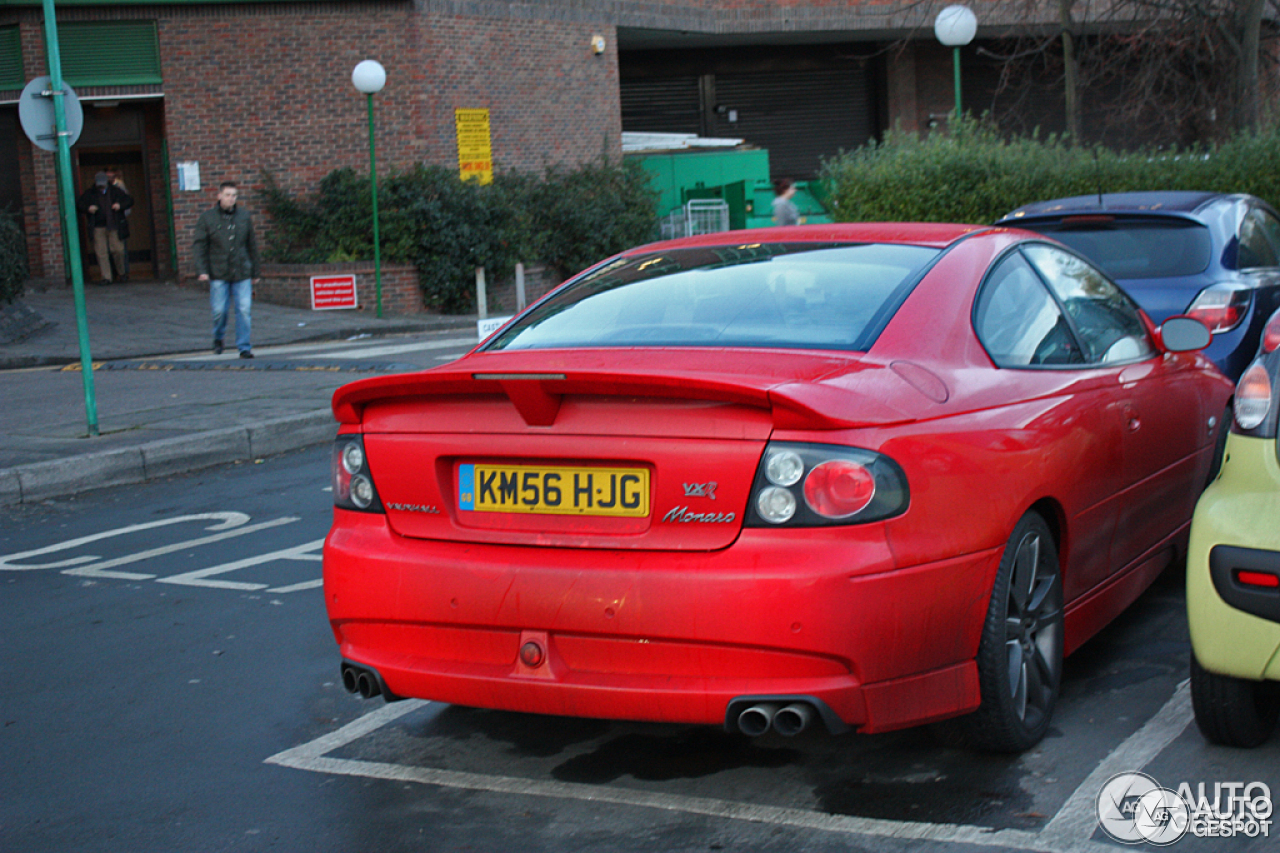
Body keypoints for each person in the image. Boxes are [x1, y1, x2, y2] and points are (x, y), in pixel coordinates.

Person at [193, 181, 260, 358]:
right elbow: (200, 246)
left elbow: (251, 245)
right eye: (228, 195)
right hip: (218, 271)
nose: (231, 199)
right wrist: (202, 269)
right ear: (219, 196)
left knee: (244, 309)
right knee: (219, 311)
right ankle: (218, 337)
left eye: (234, 195)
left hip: (242, 270)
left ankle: (244, 347)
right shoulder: (207, 218)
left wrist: (256, 271)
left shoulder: (244, 216)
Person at [76, 171, 133, 284]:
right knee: (101, 253)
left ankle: (121, 273)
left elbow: (130, 200)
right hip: (98, 226)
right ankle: (107, 277)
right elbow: (79, 205)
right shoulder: (90, 193)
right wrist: (88, 208)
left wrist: (120, 205)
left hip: (113, 225)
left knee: (118, 250)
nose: (101, 187)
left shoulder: (116, 191)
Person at [105, 167, 131, 280]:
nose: (109, 178)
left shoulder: (119, 186)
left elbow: (127, 202)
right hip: (110, 222)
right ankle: (117, 273)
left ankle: (122, 273)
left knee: (120, 249)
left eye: (111, 175)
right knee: (113, 249)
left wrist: (121, 214)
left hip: (117, 221)